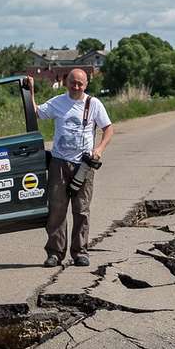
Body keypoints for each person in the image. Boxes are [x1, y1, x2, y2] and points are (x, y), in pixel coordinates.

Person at [25, 69, 114, 267]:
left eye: (80, 84)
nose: (76, 87)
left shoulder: (94, 104)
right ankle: (55, 253)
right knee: (57, 210)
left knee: (81, 210)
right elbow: (36, 112)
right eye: (73, 83)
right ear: (66, 83)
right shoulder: (58, 102)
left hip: (84, 165)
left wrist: (99, 149)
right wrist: (30, 90)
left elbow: (108, 128)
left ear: (86, 84)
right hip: (59, 163)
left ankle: (80, 252)